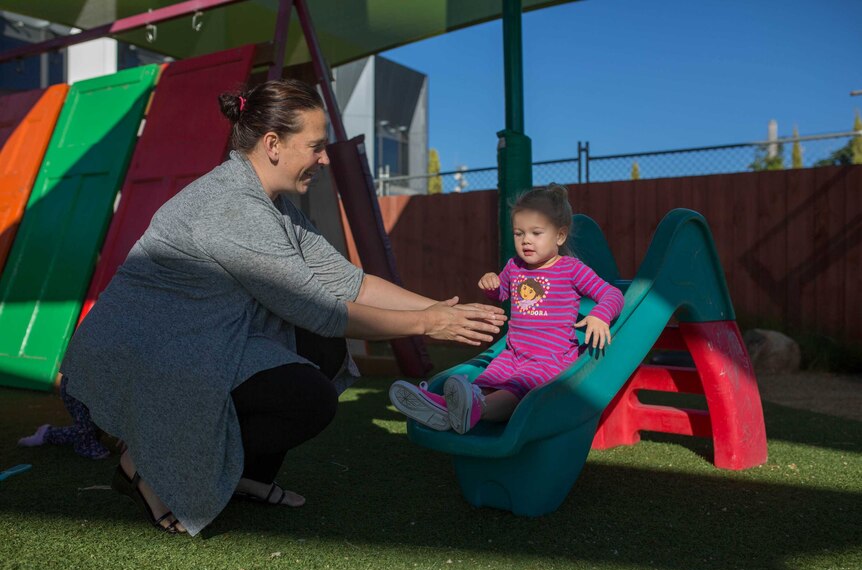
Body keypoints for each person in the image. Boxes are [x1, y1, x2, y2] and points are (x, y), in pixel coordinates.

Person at [59, 79, 505, 536]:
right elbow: (323, 310)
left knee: (325, 351)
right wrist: (428, 324)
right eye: (315, 146)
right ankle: (147, 463)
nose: (325, 158)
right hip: (146, 352)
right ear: (273, 144)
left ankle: (247, 475)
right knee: (308, 398)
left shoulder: (274, 205)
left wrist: (442, 308)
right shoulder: (233, 206)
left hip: (200, 335)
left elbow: (348, 281)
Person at [389, 183, 624, 434]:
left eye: (536, 233)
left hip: (548, 359)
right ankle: (442, 408)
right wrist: (492, 284)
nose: (526, 241)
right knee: (484, 384)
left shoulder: (571, 269)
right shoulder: (514, 266)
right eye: (518, 233)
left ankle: (471, 411)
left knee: (516, 391)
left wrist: (600, 315)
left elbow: (612, 294)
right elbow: (502, 293)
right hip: (512, 354)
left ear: (560, 235)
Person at [17, 375, 109, 460]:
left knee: (94, 430)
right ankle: (82, 443)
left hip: (97, 383)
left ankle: (47, 433)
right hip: (77, 383)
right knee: (88, 437)